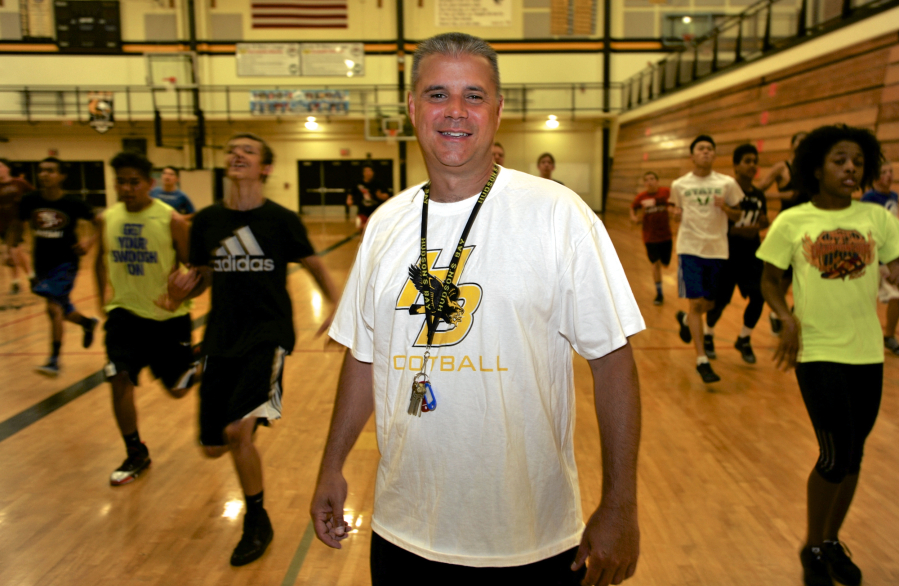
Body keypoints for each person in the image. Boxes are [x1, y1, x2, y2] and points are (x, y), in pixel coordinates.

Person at [311, 33, 643, 586]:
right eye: (438, 94)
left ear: (498, 109)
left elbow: (613, 364)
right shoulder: (386, 226)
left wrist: (621, 506)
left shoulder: (559, 215)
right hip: (403, 532)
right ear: (413, 108)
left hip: (530, 539)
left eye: (474, 95)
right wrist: (330, 464)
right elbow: (363, 359)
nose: (455, 112)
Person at [178, 133, 339, 567]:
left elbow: (315, 264)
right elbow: (201, 276)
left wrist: (336, 307)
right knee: (213, 447)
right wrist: (179, 292)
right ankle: (235, 409)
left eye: (247, 151)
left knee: (236, 432)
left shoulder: (280, 220)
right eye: (232, 150)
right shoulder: (207, 222)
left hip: (267, 337)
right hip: (220, 338)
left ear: (265, 168)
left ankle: (257, 520)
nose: (236, 154)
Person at [757, 125, 899, 586]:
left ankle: (832, 540)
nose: (850, 168)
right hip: (817, 350)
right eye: (840, 160)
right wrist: (785, 317)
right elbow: (768, 279)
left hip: (867, 352)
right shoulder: (793, 221)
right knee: (834, 454)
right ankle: (812, 544)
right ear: (816, 167)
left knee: (854, 456)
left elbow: (896, 269)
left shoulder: (878, 219)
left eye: (857, 161)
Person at [94, 151, 200, 486]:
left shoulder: (171, 220)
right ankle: (135, 451)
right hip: (124, 316)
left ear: (150, 184)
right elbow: (100, 259)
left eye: (133, 182)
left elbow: (196, 269)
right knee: (118, 377)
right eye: (120, 182)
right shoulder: (107, 219)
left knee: (178, 391)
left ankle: (204, 360)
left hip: (168, 320)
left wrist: (181, 293)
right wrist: (103, 302)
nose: (126, 188)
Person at [15, 158, 99, 377]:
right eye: (42, 170)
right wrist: (10, 246)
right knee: (60, 307)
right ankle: (87, 323)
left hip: (66, 263)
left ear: (61, 176)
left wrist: (88, 242)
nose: (44, 174)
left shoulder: (72, 203)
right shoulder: (30, 200)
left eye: (51, 171)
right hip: (41, 262)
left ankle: (54, 360)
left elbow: (101, 222)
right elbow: (17, 225)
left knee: (53, 308)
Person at [670, 135, 744, 383]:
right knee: (696, 305)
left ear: (714, 155)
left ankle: (684, 319)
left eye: (710, 149)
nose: (706, 152)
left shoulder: (728, 183)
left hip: (717, 250)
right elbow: (674, 211)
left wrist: (726, 208)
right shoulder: (679, 185)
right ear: (692, 156)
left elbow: (737, 216)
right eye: (701, 149)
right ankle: (702, 359)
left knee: (709, 305)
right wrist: (675, 214)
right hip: (689, 249)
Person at [703, 144, 769, 364]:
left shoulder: (758, 194)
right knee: (719, 302)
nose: (753, 165)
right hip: (727, 255)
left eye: (755, 161)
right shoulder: (725, 193)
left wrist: (761, 224)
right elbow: (718, 225)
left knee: (759, 296)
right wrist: (742, 229)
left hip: (752, 255)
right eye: (747, 161)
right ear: (736, 166)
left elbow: (763, 220)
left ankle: (744, 338)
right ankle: (708, 334)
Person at [758, 131, 809, 335]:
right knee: (784, 279)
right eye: (800, 141)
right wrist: (782, 194)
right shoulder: (782, 168)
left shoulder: (812, 170)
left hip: (808, 229)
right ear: (792, 145)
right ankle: (777, 314)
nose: (803, 145)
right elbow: (759, 190)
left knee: (805, 276)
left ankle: (797, 317)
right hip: (786, 228)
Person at [860, 161, 899, 355]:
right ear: (875, 176)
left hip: (889, 256)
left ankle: (889, 335)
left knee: (896, 295)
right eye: (884, 172)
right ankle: (862, 335)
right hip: (872, 256)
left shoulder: (894, 197)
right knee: (865, 298)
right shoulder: (869, 197)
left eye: (891, 171)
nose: (889, 175)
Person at [629, 171, 672, 305]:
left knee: (665, 263)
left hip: (666, 236)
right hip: (649, 237)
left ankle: (664, 263)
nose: (650, 181)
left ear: (657, 181)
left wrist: (674, 210)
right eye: (647, 180)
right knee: (656, 264)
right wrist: (634, 217)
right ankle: (659, 294)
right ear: (644, 183)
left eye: (652, 179)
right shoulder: (641, 197)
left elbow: (675, 204)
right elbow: (633, 208)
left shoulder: (666, 192)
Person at [0, 158, 33, 294]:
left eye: (0, 166)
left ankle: (16, 283)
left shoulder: (19, 183)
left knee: (12, 252)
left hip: (17, 223)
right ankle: (32, 277)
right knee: (16, 252)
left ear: (7, 168)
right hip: (2, 224)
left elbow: (33, 196)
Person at [346, 164, 389, 233]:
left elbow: (387, 196)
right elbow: (351, 193)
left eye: (370, 171)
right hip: (363, 211)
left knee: (374, 231)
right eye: (366, 171)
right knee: (361, 229)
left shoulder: (378, 183)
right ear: (363, 173)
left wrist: (380, 195)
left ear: (373, 172)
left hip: (376, 212)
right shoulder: (358, 183)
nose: (368, 173)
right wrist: (349, 199)